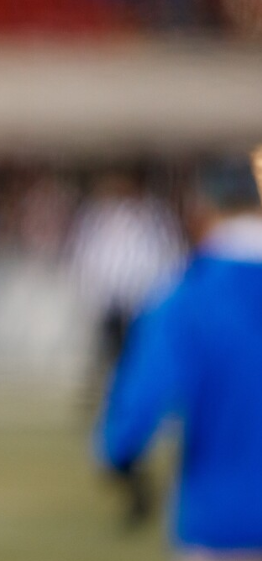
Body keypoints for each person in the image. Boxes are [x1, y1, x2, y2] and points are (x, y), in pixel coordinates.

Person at [96, 152, 262, 561]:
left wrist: (121, 454)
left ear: (203, 208)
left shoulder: (189, 295)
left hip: (223, 522)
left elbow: (140, 401)